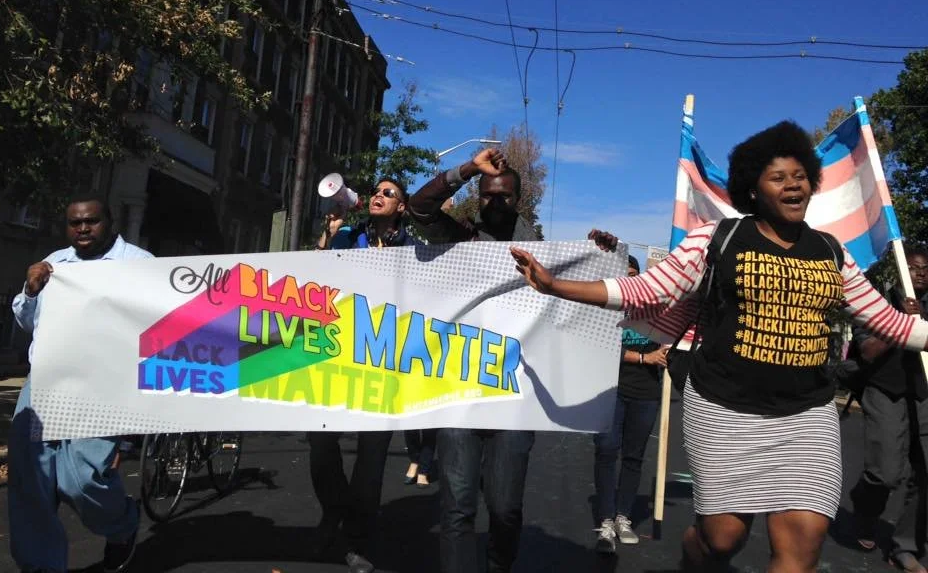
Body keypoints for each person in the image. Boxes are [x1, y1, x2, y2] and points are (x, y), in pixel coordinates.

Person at [510, 121, 928, 573]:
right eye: (778, 178)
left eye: (800, 176)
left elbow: (892, 324)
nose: (793, 185)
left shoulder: (831, 252)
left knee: (803, 542)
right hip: (724, 411)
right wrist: (556, 286)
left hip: (807, 416)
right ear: (753, 190)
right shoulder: (717, 239)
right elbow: (646, 290)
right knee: (721, 538)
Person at [408, 147, 537, 573]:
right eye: (486, 194)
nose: (494, 201)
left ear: (518, 199)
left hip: (513, 401)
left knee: (505, 508)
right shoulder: (460, 238)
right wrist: (466, 169)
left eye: (504, 195)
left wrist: (600, 251)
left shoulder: (542, 251)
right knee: (457, 507)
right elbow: (419, 208)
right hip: (460, 394)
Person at [8, 192, 150, 573]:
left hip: (104, 384)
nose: (83, 228)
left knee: (82, 478)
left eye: (91, 221)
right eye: (75, 223)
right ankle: (41, 565)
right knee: (31, 477)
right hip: (46, 381)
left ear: (110, 222)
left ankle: (122, 526)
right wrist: (30, 292)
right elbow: (28, 322)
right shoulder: (55, 264)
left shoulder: (139, 264)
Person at [310, 178, 415, 573]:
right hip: (338, 359)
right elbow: (313, 278)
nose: (378, 196)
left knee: (371, 461)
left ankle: (355, 540)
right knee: (320, 444)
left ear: (401, 207)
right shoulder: (348, 236)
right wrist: (329, 233)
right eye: (376, 191)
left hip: (383, 365)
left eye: (389, 193)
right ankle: (335, 507)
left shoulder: (413, 249)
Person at [849, 244, 928, 572]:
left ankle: (905, 546)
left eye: (925, 269)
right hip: (885, 390)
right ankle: (865, 508)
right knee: (886, 473)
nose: (920, 274)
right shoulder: (877, 303)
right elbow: (868, 351)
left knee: (925, 471)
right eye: (913, 268)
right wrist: (903, 324)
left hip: (922, 394)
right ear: (900, 270)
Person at [593, 255, 668, 553]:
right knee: (607, 450)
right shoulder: (604, 308)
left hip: (646, 391)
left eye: (634, 274)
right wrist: (643, 357)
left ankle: (623, 517)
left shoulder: (656, 309)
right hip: (609, 390)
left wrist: (669, 346)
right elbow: (599, 345)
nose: (630, 279)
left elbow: (674, 338)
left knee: (634, 457)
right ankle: (606, 520)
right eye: (624, 275)